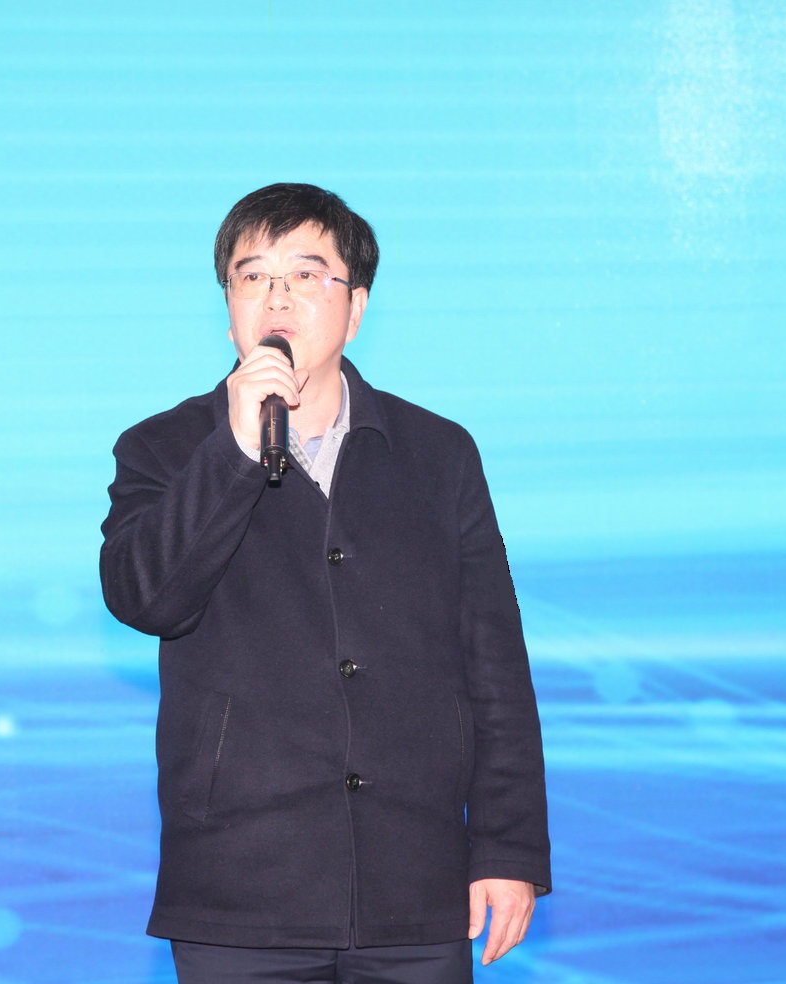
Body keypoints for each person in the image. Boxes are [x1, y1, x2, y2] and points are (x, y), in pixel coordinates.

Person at [99, 183, 550, 983]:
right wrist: (234, 451)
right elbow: (145, 597)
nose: (276, 297)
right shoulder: (164, 448)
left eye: (306, 275)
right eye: (252, 277)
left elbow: (493, 663)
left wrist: (506, 848)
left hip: (415, 881)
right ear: (228, 309)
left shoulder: (437, 453)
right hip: (239, 888)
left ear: (356, 307)